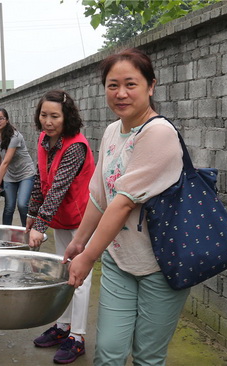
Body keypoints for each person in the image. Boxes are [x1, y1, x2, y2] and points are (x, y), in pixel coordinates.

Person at [64, 48, 190, 365]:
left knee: (148, 357)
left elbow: (122, 204)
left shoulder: (159, 133)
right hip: (120, 260)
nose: (121, 94)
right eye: (112, 85)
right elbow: (99, 196)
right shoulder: (112, 131)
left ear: (151, 86)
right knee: (108, 353)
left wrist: (88, 257)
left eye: (130, 84)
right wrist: (79, 242)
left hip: (162, 264)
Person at [26, 90, 95, 364]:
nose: (48, 121)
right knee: (63, 272)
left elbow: (57, 189)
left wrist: (39, 226)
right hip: (60, 219)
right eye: (44, 115)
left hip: (81, 221)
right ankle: (63, 326)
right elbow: (39, 177)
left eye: (55, 116)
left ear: (67, 117)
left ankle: (77, 337)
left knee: (80, 278)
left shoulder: (75, 146)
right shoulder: (44, 140)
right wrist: (32, 213)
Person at [0, 108, 35, 226]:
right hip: (10, 174)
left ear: (7, 120)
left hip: (26, 173)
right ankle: (5, 237)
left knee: (22, 204)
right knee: (9, 206)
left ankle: (27, 233)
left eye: (1, 118)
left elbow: (6, 161)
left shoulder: (14, 136)